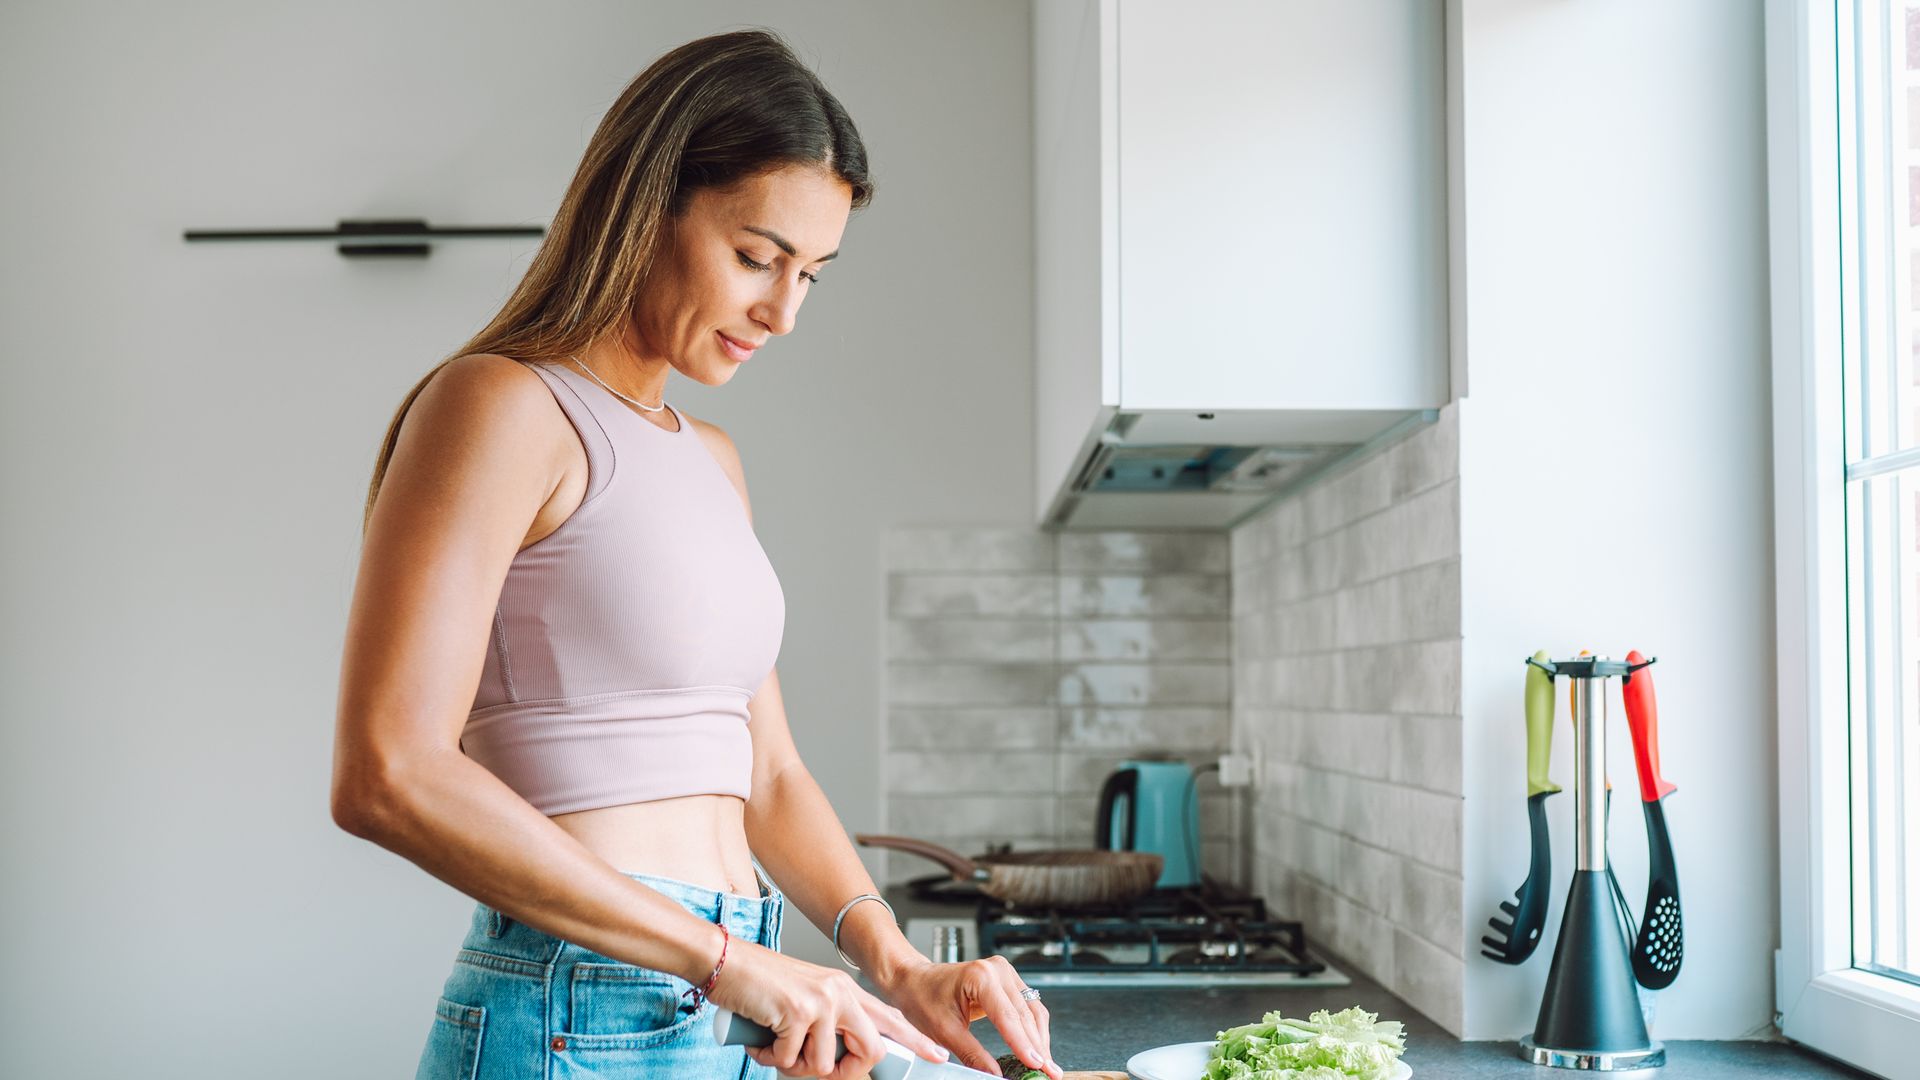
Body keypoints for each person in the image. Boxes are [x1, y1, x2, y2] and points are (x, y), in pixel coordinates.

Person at [330, 27, 1061, 1080]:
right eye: (758, 257)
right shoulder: (499, 406)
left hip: (720, 998)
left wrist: (893, 964)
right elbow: (387, 773)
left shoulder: (711, 460)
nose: (784, 311)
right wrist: (724, 962)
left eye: (812, 273)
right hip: (582, 1003)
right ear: (646, 205)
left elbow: (768, 773)